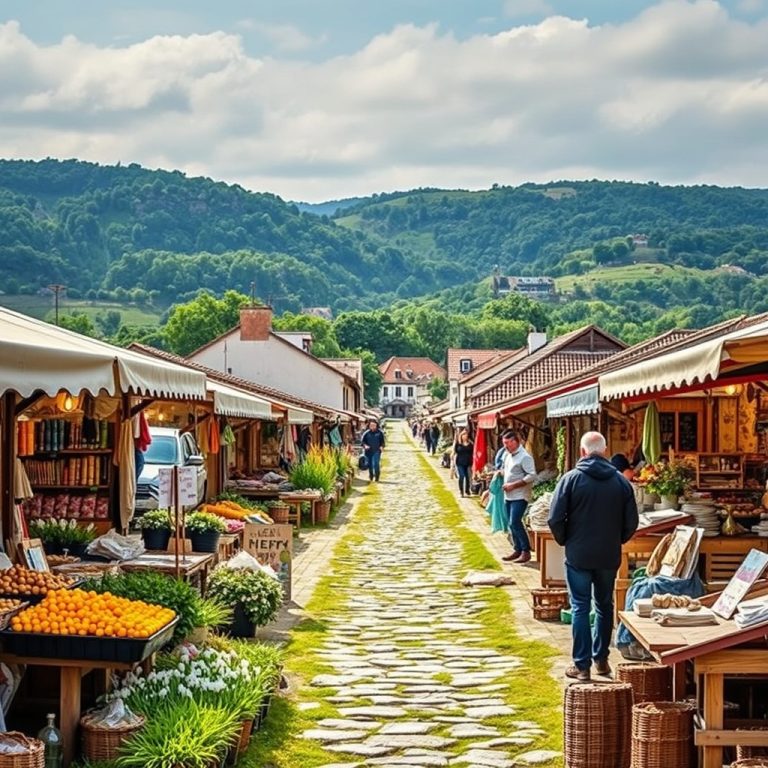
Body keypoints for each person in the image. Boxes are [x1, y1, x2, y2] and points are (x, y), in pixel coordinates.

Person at [548, 431, 639, 682]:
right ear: (605, 450)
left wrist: (566, 539)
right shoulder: (621, 482)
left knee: (580, 607)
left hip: (578, 554)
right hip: (608, 554)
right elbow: (632, 521)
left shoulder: (571, 479)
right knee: (604, 605)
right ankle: (601, 660)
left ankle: (582, 664)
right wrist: (616, 539)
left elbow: (554, 518)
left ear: (582, 451)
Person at [499, 430, 537, 564]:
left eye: (507, 443)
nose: (505, 446)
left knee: (515, 521)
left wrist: (514, 485)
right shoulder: (507, 455)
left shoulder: (525, 457)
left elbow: (532, 475)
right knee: (510, 523)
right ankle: (517, 549)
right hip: (508, 495)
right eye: (504, 443)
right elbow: (508, 470)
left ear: (516, 441)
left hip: (520, 495)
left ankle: (526, 551)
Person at [452, 429, 474, 497]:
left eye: (466, 435)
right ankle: (461, 491)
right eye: (463, 435)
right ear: (461, 436)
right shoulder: (458, 444)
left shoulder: (470, 444)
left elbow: (473, 452)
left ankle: (467, 490)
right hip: (460, 462)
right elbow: (454, 452)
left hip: (468, 462)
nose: (465, 436)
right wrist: (452, 463)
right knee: (462, 476)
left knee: (467, 477)